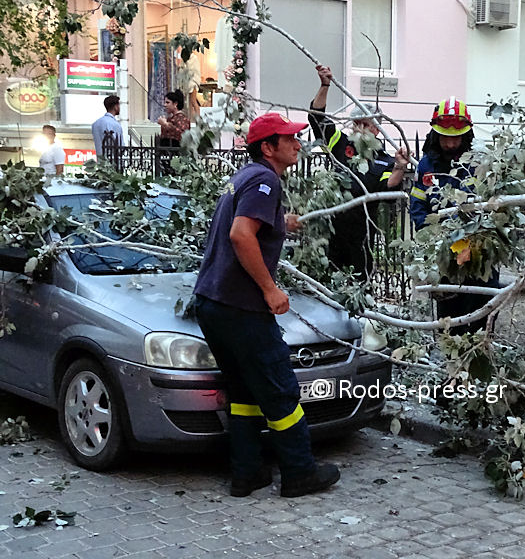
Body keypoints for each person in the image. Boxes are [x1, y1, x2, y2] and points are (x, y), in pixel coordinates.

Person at [193, 112, 340, 498]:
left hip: (211, 302)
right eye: (288, 138)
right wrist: (270, 289)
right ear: (267, 147)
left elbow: (245, 222)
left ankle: (247, 473)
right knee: (279, 389)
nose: (297, 143)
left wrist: (280, 222)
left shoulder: (244, 177)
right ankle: (299, 473)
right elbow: (242, 235)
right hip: (241, 306)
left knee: (243, 389)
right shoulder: (265, 179)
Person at [308, 64, 409, 278]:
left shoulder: (385, 161)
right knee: (328, 283)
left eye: (363, 124)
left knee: (359, 284)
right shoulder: (340, 144)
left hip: (361, 236)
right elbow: (317, 119)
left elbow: (389, 190)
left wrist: (400, 166)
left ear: (376, 128)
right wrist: (325, 85)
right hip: (331, 229)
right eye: (355, 123)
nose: (357, 128)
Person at [409, 97, 499, 335]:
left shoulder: (480, 162)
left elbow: (493, 209)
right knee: (450, 322)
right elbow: (418, 206)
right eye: (445, 137)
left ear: (466, 135)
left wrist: (471, 244)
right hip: (445, 256)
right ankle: (452, 367)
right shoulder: (427, 165)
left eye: (455, 137)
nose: (450, 143)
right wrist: (435, 239)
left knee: (482, 319)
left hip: (480, 255)